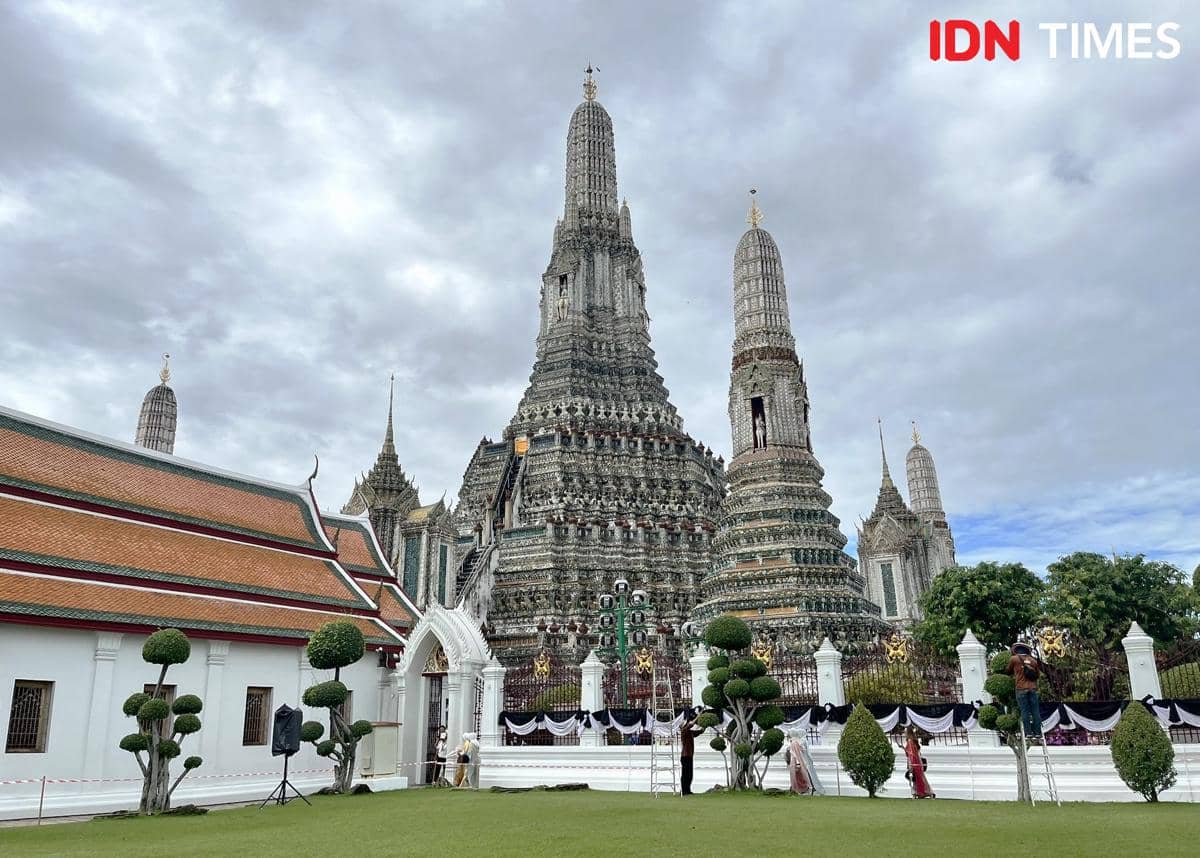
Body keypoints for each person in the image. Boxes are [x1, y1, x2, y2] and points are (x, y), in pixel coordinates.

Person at [1006, 641, 1044, 741]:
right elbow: (1038, 675)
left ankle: (1028, 733)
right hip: (1033, 688)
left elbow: (1008, 671)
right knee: (1035, 711)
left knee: (1025, 711)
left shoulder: (1014, 659)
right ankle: (1038, 733)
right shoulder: (1033, 661)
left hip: (1021, 688)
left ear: (1016, 650)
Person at [784, 730, 825, 795]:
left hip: (797, 763)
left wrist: (797, 762)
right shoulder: (798, 742)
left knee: (800, 777)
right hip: (800, 762)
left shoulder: (795, 743)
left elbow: (796, 754)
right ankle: (800, 789)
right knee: (800, 777)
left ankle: (803, 789)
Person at [904, 726, 934, 799]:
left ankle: (921, 792)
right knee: (919, 777)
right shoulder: (913, 740)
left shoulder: (910, 741)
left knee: (917, 777)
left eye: (905, 732)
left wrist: (911, 763)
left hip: (914, 761)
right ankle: (925, 791)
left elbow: (911, 753)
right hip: (918, 760)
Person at [679, 712, 704, 796]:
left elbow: (699, 732)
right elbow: (691, 724)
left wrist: (705, 726)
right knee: (685, 775)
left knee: (689, 775)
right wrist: (698, 717)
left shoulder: (689, 732)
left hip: (689, 756)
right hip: (685, 756)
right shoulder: (684, 731)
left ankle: (688, 790)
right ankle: (684, 791)